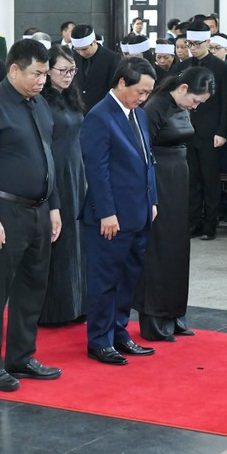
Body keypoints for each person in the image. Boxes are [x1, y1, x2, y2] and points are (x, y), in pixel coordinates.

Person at [0, 38, 62, 392]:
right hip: (3, 210)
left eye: (45, 73)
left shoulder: (37, 104)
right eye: (36, 73)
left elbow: (47, 156)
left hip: (38, 211)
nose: (42, 80)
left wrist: (53, 206)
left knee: (32, 287)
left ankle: (21, 355)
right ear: (13, 70)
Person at [81, 56, 157, 365]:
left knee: (128, 278)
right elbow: (97, 170)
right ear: (122, 82)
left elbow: (147, 159)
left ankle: (120, 332)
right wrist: (106, 213)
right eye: (140, 91)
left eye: (148, 93)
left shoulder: (137, 114)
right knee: (105, 280)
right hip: (111, 218)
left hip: (139, 212)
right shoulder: (100, 116)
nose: (143, 98)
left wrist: (152, 200)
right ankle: (99, 339)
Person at [135, 66, 213, 341]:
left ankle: (175, 312)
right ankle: (156, 317)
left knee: (178, 247)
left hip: (179, 179)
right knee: (159, 249)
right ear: (182, 89)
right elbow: (141, 151)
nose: (195, 107)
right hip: (158, 180)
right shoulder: (154, 106)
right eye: (195, 100)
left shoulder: (180, 106)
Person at [39, 45, 88, 326]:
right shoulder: (42, 101)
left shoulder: (70, 98)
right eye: (63, 70)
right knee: (59, 240)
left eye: (72, 70)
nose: (69, 76)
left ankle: (78, 302)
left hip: (75, 172)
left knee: (77, 238)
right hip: (55, 173)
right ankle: (55, 308)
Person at [170, 20, 227, 241]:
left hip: (211, 131)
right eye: (189, 43)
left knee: (210, 180)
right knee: (191, 179)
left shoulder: (222, 68)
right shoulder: (181, 67)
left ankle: (210, 224)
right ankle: (193, 221)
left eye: (196, 43)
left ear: (208, 41)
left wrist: (223, 131)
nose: (192, 48)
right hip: (186, 130)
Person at [71, 24, 121, 113]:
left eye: (84, 49)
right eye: (77, 49)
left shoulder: (112, 58)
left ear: (94, 42)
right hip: (78, 111)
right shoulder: (73, 57)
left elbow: (115, 89)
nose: (81, 53)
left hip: (102, 111)